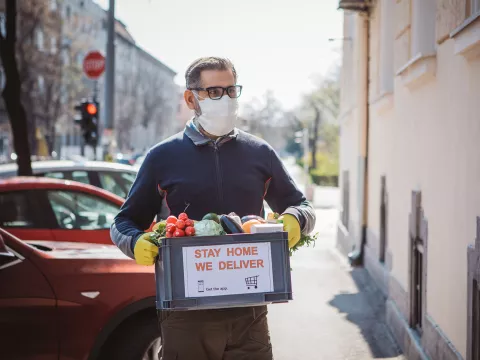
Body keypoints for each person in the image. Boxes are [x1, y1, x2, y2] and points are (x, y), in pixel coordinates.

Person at [111, 57, 316, 360]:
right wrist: (134, 242)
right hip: (185, 316)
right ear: (191, 98)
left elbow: (302, 205)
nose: (226, 100)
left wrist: (297, 218)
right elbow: (124, 222)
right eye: (215, 92)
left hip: (249, 315)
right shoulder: (161, 157)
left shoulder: (259, 153)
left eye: (232, 91)